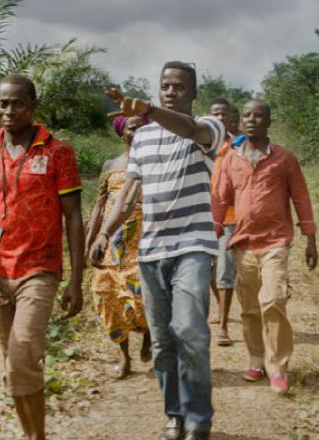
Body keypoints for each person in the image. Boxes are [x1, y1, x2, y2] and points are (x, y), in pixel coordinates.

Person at [90, 62, 225, 440]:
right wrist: (104, 233)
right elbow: (130, 193)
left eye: (179, 87)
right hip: (151, 252)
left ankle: (199, 416)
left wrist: (148, 109)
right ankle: (175, 414)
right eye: (165, 86)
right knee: (164, 339)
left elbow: (188, 128)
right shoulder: (144, 139)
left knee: (190, 331)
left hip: (192, 246)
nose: (170, 92)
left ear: (193, 93)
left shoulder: (207, 129)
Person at [0, 74, 84, 440]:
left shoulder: (57, 152)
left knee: (22, 355)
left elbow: (73, 217)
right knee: (8, 368)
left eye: (16, 103)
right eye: (1, 103)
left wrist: (76, 280)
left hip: (39, 270)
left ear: (33, 106)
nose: (8, 110)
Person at [211, 99, 318, 394]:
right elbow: (219, 198)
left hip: (275, 242)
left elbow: (301, 197)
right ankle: (256, 359)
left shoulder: (284, 159)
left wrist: (310, 237)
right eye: (247, 115)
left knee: (272, 300)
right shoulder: (230, 158)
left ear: (269, 122)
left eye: (259, 116)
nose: (252, 120)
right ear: (240, 120)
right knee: (249, 308)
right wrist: (213, 233)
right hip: (243, 242)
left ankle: (278, 366)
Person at [84, 115, 152, 379]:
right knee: (107, 294)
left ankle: (148, 336)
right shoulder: (111, 166)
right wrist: (91, 242)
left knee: (144, 296)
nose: (138, 132)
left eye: (143, 127)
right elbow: (100, 208)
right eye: (133, 128)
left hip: (145, 242)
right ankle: (124, 358)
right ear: (121, 133)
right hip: (112, 242)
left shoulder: (155, 162)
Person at [207, 97, 238, 346]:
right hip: (202, 215)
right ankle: (220, 308)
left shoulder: (237, 146)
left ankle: (224, 327)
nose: (218, 118)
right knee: (207, 272)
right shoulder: (201, 144)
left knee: (225, 269)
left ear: (231, 119)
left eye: (223, 114)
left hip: (229, 216)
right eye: (214, 114)